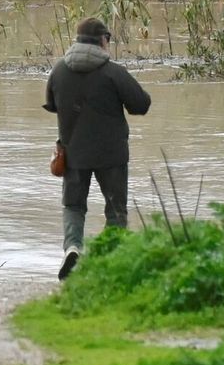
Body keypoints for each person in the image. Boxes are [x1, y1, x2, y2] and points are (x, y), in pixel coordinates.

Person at [43, 17, 151, 280]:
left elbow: (52, 104)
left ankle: (72, 248)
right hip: (111, 155)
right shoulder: (114, 72)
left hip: (73, 154)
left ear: (77, 41)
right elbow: (142, 104)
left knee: (73, 206)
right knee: (115, 209)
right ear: (103, 41)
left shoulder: (58, 71)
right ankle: (113, 259)